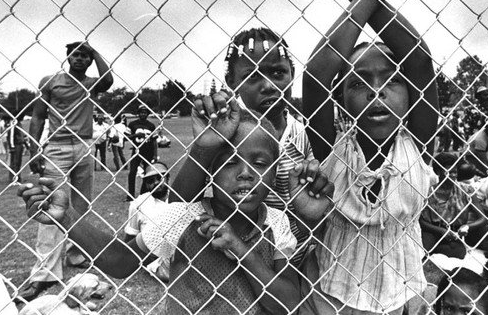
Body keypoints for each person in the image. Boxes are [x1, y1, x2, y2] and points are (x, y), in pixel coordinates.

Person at [17, 106, 322, 314]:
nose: (245, 173)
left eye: (259, 163)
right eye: (229, 162)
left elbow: (287, 302)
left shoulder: (276, 223)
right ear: (210, 171)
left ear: (274, 171)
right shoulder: (184, 217)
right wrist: (67, 217)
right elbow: (121, 262)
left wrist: (241, 249)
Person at [301, 0, 439, 314]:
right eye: (359, 83)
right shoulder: (333, 148)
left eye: (390, 80)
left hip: (406, 294)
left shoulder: (418, 144)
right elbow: (315, 74)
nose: (376, 91)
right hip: (335, 296)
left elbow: (419, 58)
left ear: (411, 93)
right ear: (341, 100)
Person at [171, 26, 314, 266]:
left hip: (291, 260)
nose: (268, 85)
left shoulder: (304, 134)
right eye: (253, 76)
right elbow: (178, 206)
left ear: (292, 74)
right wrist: (204, 150)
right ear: (231, 82)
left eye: (278, 72)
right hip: (229, 258)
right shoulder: (224, 133)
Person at [18, 41, 113, 302]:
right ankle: (44, 274)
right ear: (68, 57)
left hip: (84, 145)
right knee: (51, 206)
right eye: (76, 55)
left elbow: (108, 80)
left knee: (81, 205)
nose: (80, 59)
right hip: (57, 146)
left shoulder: (91, 83)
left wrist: (96, 52)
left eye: (85, 56)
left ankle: (75, 253)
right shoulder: (51, 81)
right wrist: (35, 149)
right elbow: (38, 116)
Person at [420, 153, 487, 259]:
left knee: (457, 253)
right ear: (438, 172)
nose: (453, 176)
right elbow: (420, 220)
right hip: (434, 231)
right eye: (448, 172)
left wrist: (467, 226)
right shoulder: (428, 192)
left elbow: (483, 218)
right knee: (425, 246)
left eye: (455, 172)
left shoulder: (466, 190)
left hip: (455, 232)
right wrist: (441, 231)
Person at [124, 161, 171, 282]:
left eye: (159, 178)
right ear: (145, 183)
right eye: (150, 180)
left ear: (167, 178)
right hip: (153, 256)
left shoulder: (181, 199)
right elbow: (130, 237)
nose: (156, 183)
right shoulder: (139, 204)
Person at [125, 105, 158, 201]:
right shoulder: (132, 124)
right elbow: (126, 137)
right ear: (138, 113)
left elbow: (154, 141)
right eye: (141, 112)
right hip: (136, 151)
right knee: (132, 172)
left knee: (147, 173)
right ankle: (130, 194)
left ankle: (143, 193)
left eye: (145, 112)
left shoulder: (151, 125)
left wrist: (155, 154)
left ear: (147, 114)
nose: (143, 114)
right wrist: (136, 135)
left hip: (148, 152)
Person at [466, 112, 488, 176]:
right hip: (472, 156)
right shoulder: (480, 139)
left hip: (485, 151)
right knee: (484, 173)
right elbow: (482, 160)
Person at [7, 112, 27, 183]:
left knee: (18, 162)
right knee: (14, 162)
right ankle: (13, 178)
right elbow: (11, 136)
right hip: (16, 145)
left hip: (20, 144)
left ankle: (18, 177)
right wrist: (12, 146)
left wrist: (25, 144)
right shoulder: (13, 124)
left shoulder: (19, 124)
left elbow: (22, 135)